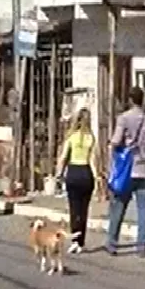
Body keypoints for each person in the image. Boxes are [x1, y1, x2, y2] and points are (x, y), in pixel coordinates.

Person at [105, 86, 145, 258]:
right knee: (144, 210)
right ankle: (142, 247)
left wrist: (113, 161)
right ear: (142, 100)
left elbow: (115, 141)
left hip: (127, 170)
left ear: (130, 100)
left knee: (119, 206)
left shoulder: (123, 119)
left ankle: (112, 243)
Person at [55, 107, 97, 254]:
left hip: (73, 172)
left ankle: (74, 239)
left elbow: (63, 157)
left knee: (74, 209)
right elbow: (93, 160)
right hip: (86, 172)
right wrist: (97, 177)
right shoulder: (91, 138)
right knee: (84, 210)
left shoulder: (71, 137)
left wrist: (59, 175)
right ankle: (81, 242)